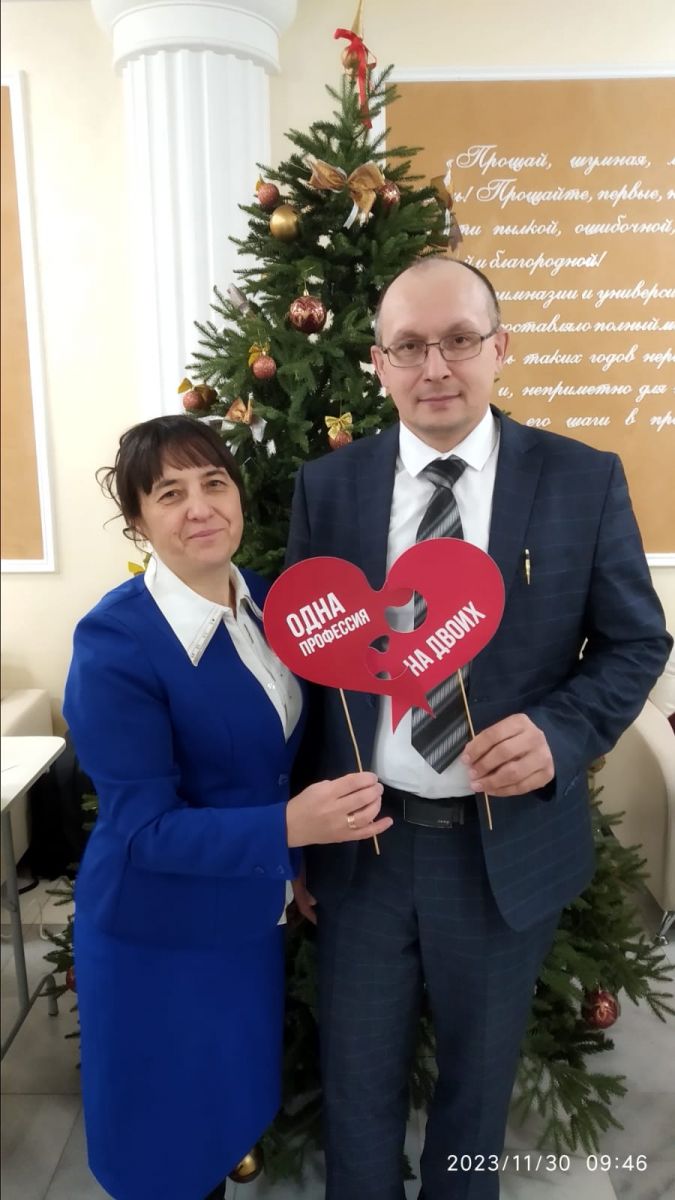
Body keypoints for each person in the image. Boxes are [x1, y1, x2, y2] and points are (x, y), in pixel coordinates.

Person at [286, 256, 672, 1200]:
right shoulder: (327, 488)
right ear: (378, 363)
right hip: (363, 852)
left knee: (474, 1094)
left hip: (503, 858)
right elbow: (303, 674)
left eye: (458, 339)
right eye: (408, 346)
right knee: (356, 1090)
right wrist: (289, 842)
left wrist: (558, 732)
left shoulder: (580, 480)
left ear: (500, 348)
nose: (435, 367)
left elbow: (634, 642)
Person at [63, 416, 392, 1200]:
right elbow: (141, 829)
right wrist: (289, 829)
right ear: (137, 522)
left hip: (245, 920)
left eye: (214, 482)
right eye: (169, 494)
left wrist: (293, 862)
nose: (200, 507)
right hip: (157, 935)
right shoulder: (115, 643)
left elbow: (274, 765)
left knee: (224, 1114)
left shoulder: (273, 606)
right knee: (166, 1153)